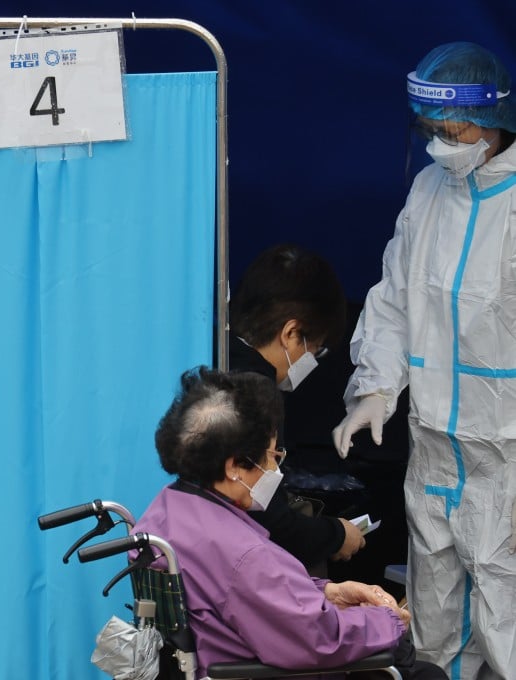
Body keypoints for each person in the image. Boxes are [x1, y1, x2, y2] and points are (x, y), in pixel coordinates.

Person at [331, 41, 516, 680]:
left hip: (508, 450)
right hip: (435, 444)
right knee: (434, 607)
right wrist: (376, 388)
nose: (442, 142)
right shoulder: (429, 189)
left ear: (495, 117)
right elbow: (394, 300)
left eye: (454, 129)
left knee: (506, 605)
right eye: (431, 128)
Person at [135, 367, 445, 679]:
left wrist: (328, 592)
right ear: (234, 468)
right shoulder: (243, 554)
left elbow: (256, 598)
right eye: (271, 456)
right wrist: (388, 620)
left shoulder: (165, 510)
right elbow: (319, 639)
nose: (275, 469)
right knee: (425, 674)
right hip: (257, 668)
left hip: (215, 658)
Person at [229, 243, 364, 570]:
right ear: (291, 333)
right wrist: (337, 534)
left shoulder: (214, 359)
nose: (312, 360)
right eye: (316, 349)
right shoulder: (257, 394)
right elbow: (268, 519)